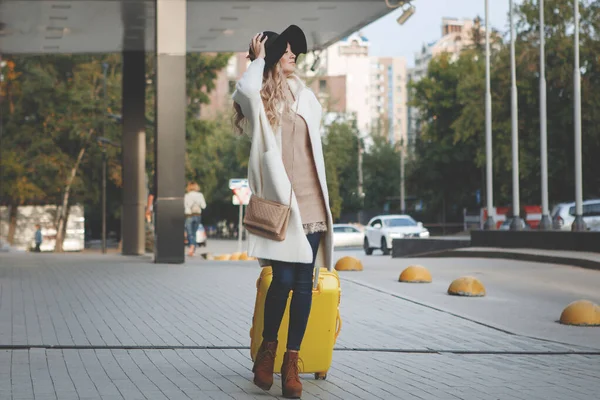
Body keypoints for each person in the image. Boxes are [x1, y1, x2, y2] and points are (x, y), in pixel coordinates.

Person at [233, 25, 334, 399]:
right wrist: (257, 61)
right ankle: (267, 353)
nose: (293, 54)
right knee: (283, 281)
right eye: (285, 50)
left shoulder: (304, 95)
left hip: (311, 203)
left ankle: (291, 363)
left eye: (295, 50)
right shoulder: (259, 97)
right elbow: (243, 91)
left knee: (304, 284)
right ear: (271, 55)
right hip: (281, 205)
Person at [184, 181, 206, 257]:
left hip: (189, 216)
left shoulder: (187, 196)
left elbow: (185, 206)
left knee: (189, 233)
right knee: (194, 232)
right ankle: (193, 248)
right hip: (197, 215)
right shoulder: (200, 195)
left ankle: (191, 246)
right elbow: (204, 206)